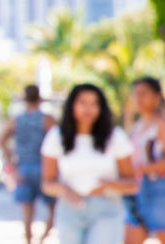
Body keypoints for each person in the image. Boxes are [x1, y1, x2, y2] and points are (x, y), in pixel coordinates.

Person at [41, 83, 139, 244]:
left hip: (106, 208)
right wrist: (66, 190)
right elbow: (47, 183)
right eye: (83, 103)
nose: (88, 109)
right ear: (72, 105)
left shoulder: (114, 136)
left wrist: (108, 185)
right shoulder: (56, 136)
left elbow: (132, 183)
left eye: (94, 104)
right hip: (69, 208)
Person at [0, 85, 57, 244]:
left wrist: (13, 164)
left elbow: (1, 141)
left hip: (23, 168)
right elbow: (60, 143)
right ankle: (42, 240)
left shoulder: (16, 120)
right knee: (53, 210)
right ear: (40, 98)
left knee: (27, 214)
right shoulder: (47, 119)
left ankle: (30, 242)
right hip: (44, 169)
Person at [124, 77, 165, 244]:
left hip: (161, 189)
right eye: (136, 94)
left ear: (157, 96)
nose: (139, 98)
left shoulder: (162, 125)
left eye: (144, 93)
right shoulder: (136, 126)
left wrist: (142, 169)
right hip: (137, 190)